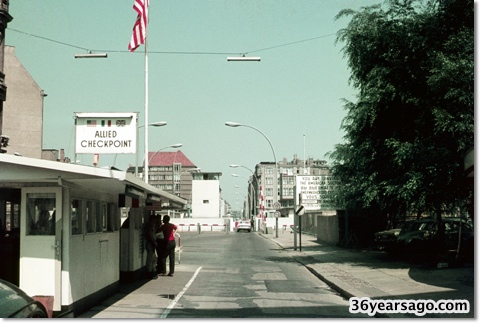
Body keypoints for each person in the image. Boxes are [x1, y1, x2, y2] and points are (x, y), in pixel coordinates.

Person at [145, 214, 158, 279]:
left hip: (151, 242)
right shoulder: (150, 226)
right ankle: (149, 272)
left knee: (153, 258)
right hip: (150, 242)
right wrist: (154, 242)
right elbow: (150, 234)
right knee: (150, 258)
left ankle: (151, 271)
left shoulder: (152, 225)